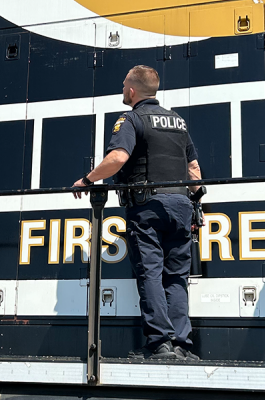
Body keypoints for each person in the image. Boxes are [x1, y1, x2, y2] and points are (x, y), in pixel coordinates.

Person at [72, 65, 203, 361]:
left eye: (123, 86)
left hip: (148, 208)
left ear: (132, 91)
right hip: (182, 207)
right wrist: (192, 205)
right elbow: (194, 173)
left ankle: (160, 343)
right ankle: (182, 344)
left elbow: (118, 157)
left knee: (150, 275)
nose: (122, 90)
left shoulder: (131, 118)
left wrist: (88, 180)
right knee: (177, 278)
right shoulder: (178, 122)